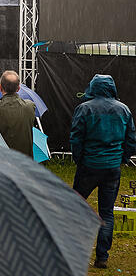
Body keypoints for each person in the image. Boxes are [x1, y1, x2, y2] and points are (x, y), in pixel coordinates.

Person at [70, 74, 136, 269]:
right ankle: (102, 257)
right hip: (112, 168)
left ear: (93, 87)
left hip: (89, 167)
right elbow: (131, 140)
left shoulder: (84, 108)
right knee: (107, 213)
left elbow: (76, 138)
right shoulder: (123, 110)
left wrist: (79, 160)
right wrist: (122, 159)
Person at [0, 70, 35, 157]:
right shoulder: (30, 106)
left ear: (0, 88)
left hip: (2, 161)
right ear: (18, 88)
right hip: (25, 163)